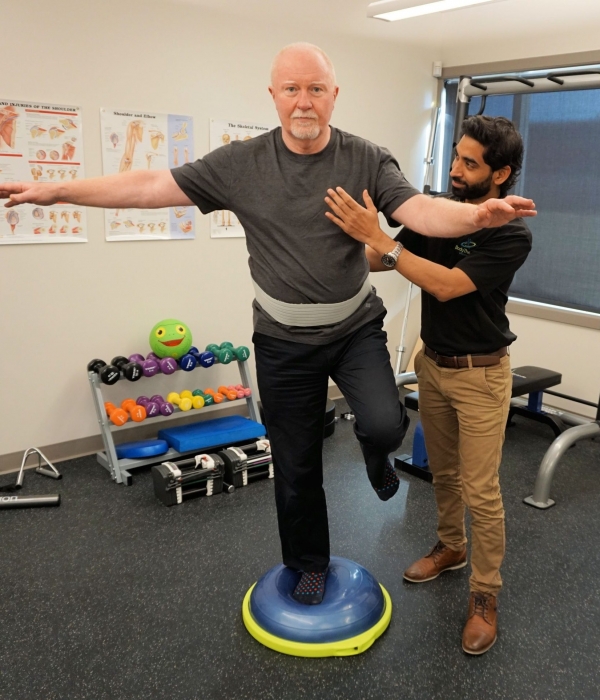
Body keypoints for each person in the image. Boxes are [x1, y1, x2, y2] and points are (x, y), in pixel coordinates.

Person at [1, 46, 536, 607]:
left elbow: (419, 212)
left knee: (382, 425)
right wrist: (61, 190)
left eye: (315, 89)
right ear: (273, 95)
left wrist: (476, 215)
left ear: (334, 95)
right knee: (296, 461)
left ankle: (378, 461)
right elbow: (152, 186)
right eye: (291, 89)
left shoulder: (368, 159)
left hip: (355, 330)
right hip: (282, 343)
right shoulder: (241, 164)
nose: (303, 101)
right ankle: (307, 562)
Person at [324, 114, 532, 652]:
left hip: (481, 374)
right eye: (456, 157)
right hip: (433, 363)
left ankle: (486, 594)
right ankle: (450, 547)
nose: (456, 170)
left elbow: (443, 286)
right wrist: (354, 237)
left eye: (471, 163)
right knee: (442, 472)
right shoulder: (439, 209)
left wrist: (382, 243)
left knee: (481, 491)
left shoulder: (511, 232)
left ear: (502, 173)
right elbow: (382, 257)